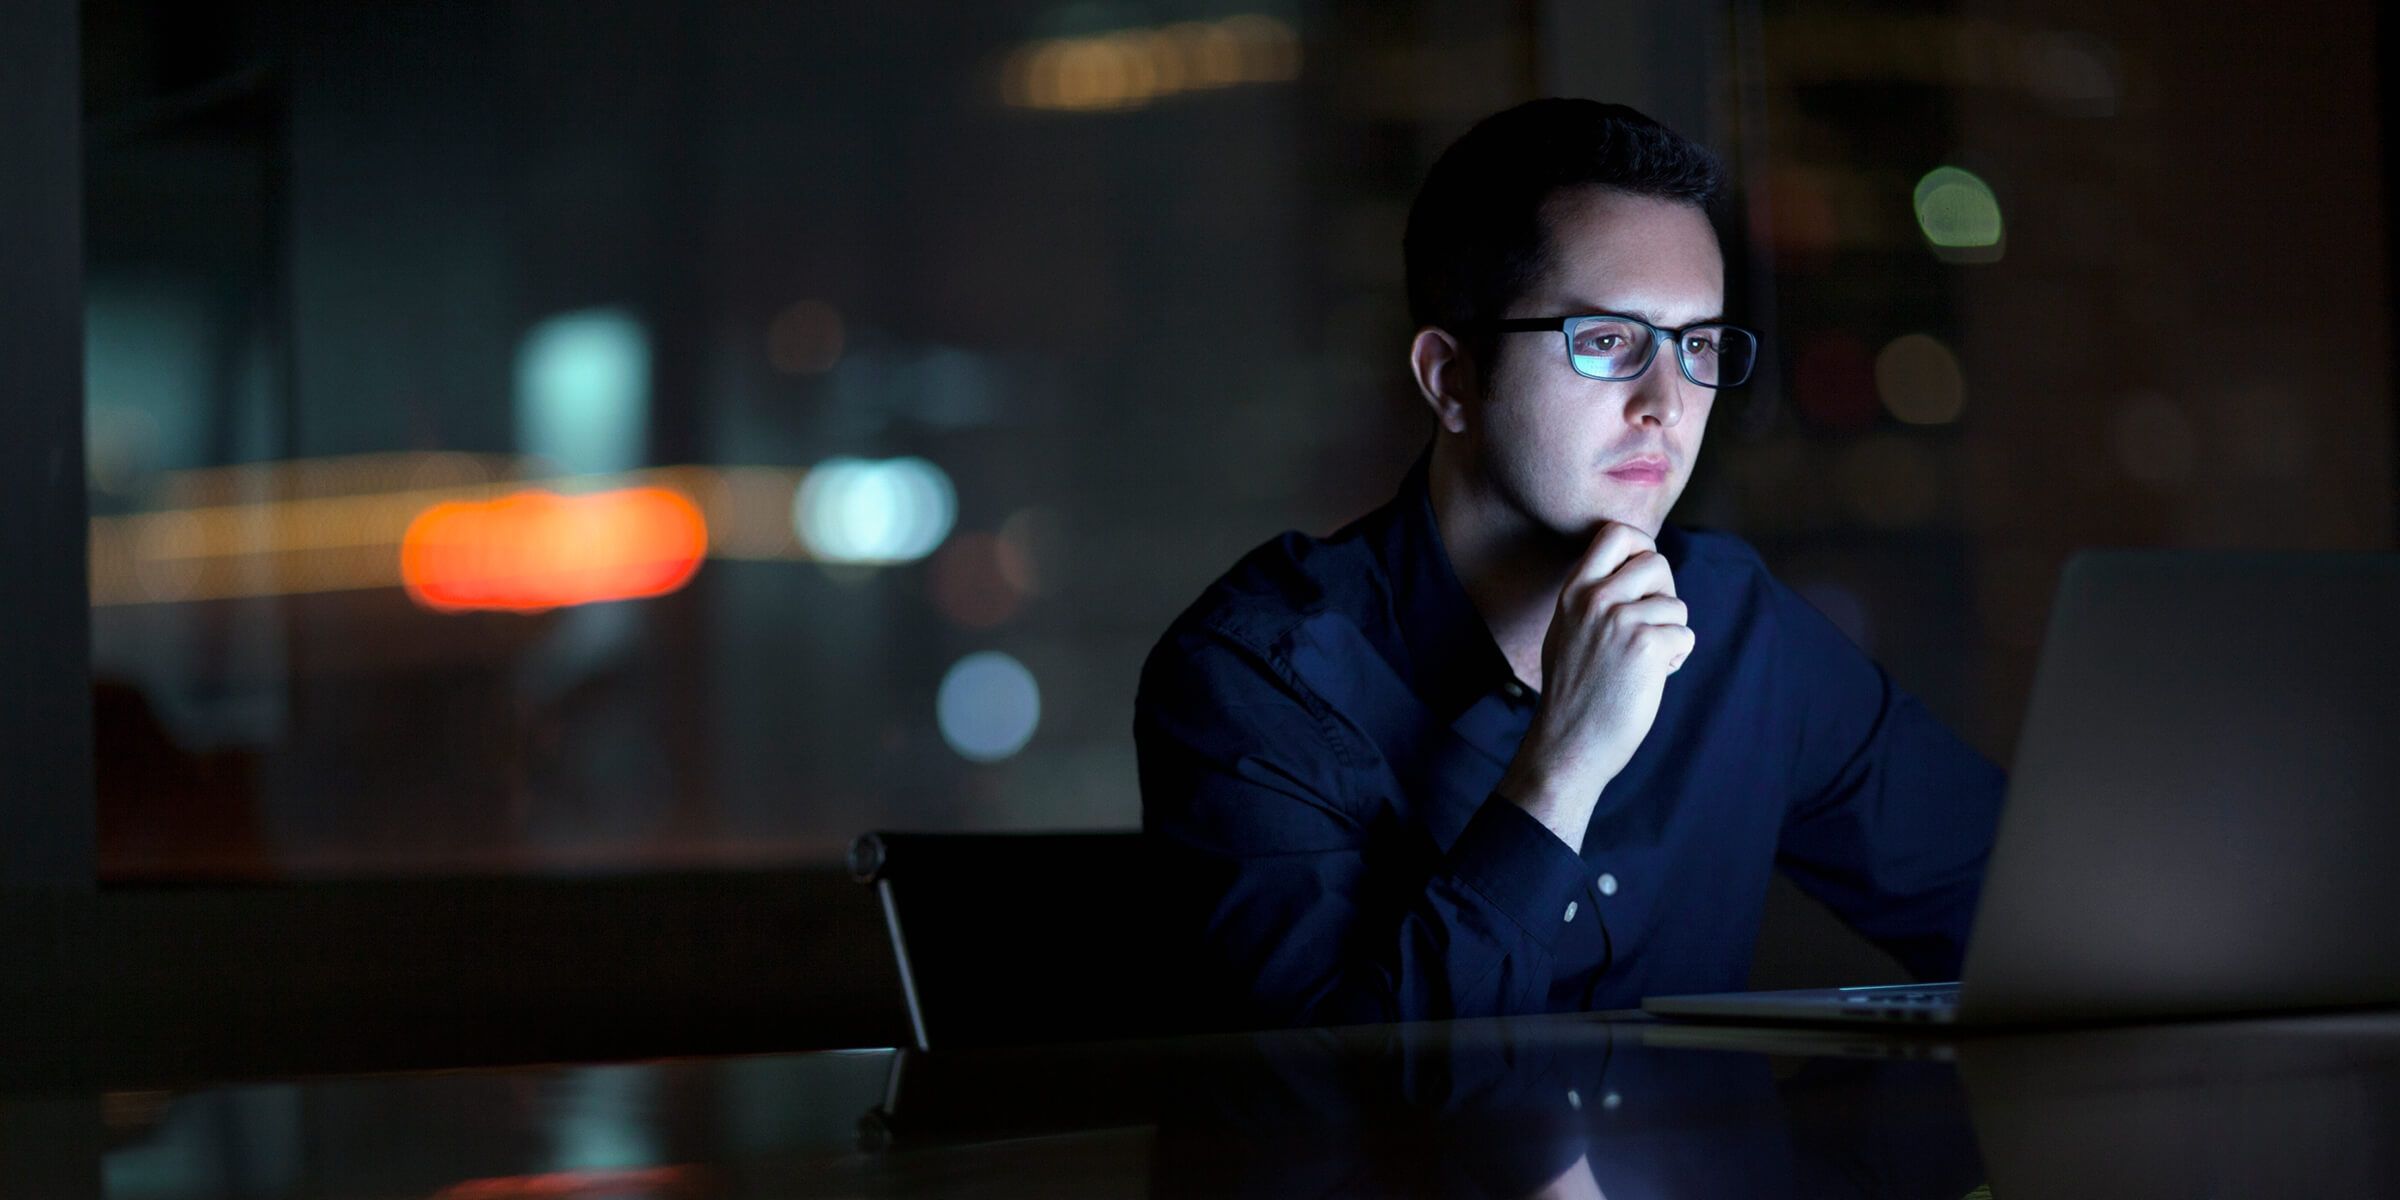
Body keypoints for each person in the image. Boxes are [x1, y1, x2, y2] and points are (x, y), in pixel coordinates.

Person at [1134, 98, 2005, 1028]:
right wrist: (1566, 762)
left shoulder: (1736, 624)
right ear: (1452, 378)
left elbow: (2014, 910)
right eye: (1605, 341)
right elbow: (1343, 1108)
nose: (1666, 403)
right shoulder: (1257, 679)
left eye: (1697, 345)